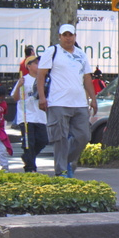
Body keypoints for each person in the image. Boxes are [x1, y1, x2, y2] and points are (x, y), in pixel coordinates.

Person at [37, 23, 98, 178]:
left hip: (79, 103)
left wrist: (93, 98)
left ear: (75, 36)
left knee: (84, 136)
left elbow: (87, 77)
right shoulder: (53, 51)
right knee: (60, 138)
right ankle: (61, 170)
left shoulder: (81, 54)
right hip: (58, 102)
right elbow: (41, 75)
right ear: (59, 36)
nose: (68, 38)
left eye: (70, 35)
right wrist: (42, 97)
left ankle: (69, 162)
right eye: (65, 35)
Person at [12, 55, 49, 173]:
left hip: (40, 116)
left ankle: (28, 158)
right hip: (26, 116)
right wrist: (19, 86)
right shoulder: (24, 79)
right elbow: (15, 98)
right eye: (35, 63)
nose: (38, 66)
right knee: (29, 142)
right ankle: (30, 168)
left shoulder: (43, 79)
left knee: (43, 140)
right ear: (28, 66)